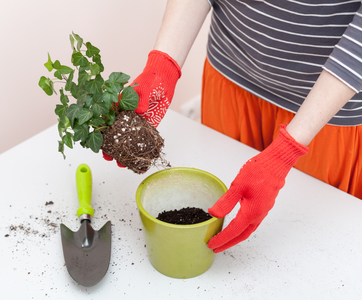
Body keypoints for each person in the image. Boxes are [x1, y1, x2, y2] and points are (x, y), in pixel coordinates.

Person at [104, 0, 362, 253]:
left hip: (326, 111)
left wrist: (287, 151)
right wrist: (164, 65)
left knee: (312, 238)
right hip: (230, 80)